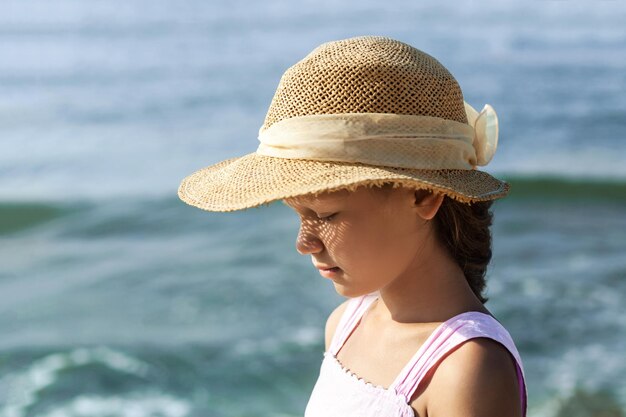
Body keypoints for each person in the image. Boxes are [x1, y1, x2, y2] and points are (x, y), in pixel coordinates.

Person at [178, 35, 527, 417]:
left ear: (424, 197)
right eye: (298, 214)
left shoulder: (466, 367)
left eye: (326, 215)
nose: (304, 242)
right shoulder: (345, 326)